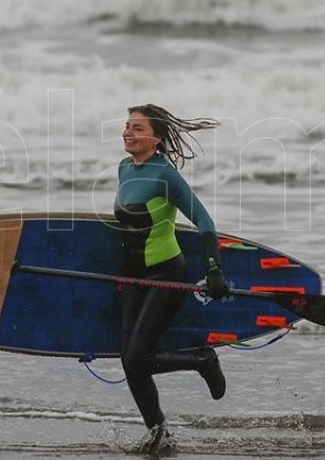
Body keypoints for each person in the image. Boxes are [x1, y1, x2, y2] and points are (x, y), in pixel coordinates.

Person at [114, 103, 229, 452]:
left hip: (166, 274)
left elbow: (205, 222)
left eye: (136, 128)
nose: (128, 133)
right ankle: (158, 435)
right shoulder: (124, 169)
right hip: (135, 278)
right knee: (130, 362)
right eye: (126, 126)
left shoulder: (166, 176)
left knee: (136, 358)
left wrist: (214, 269)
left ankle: (202, 360)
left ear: (156, 138)